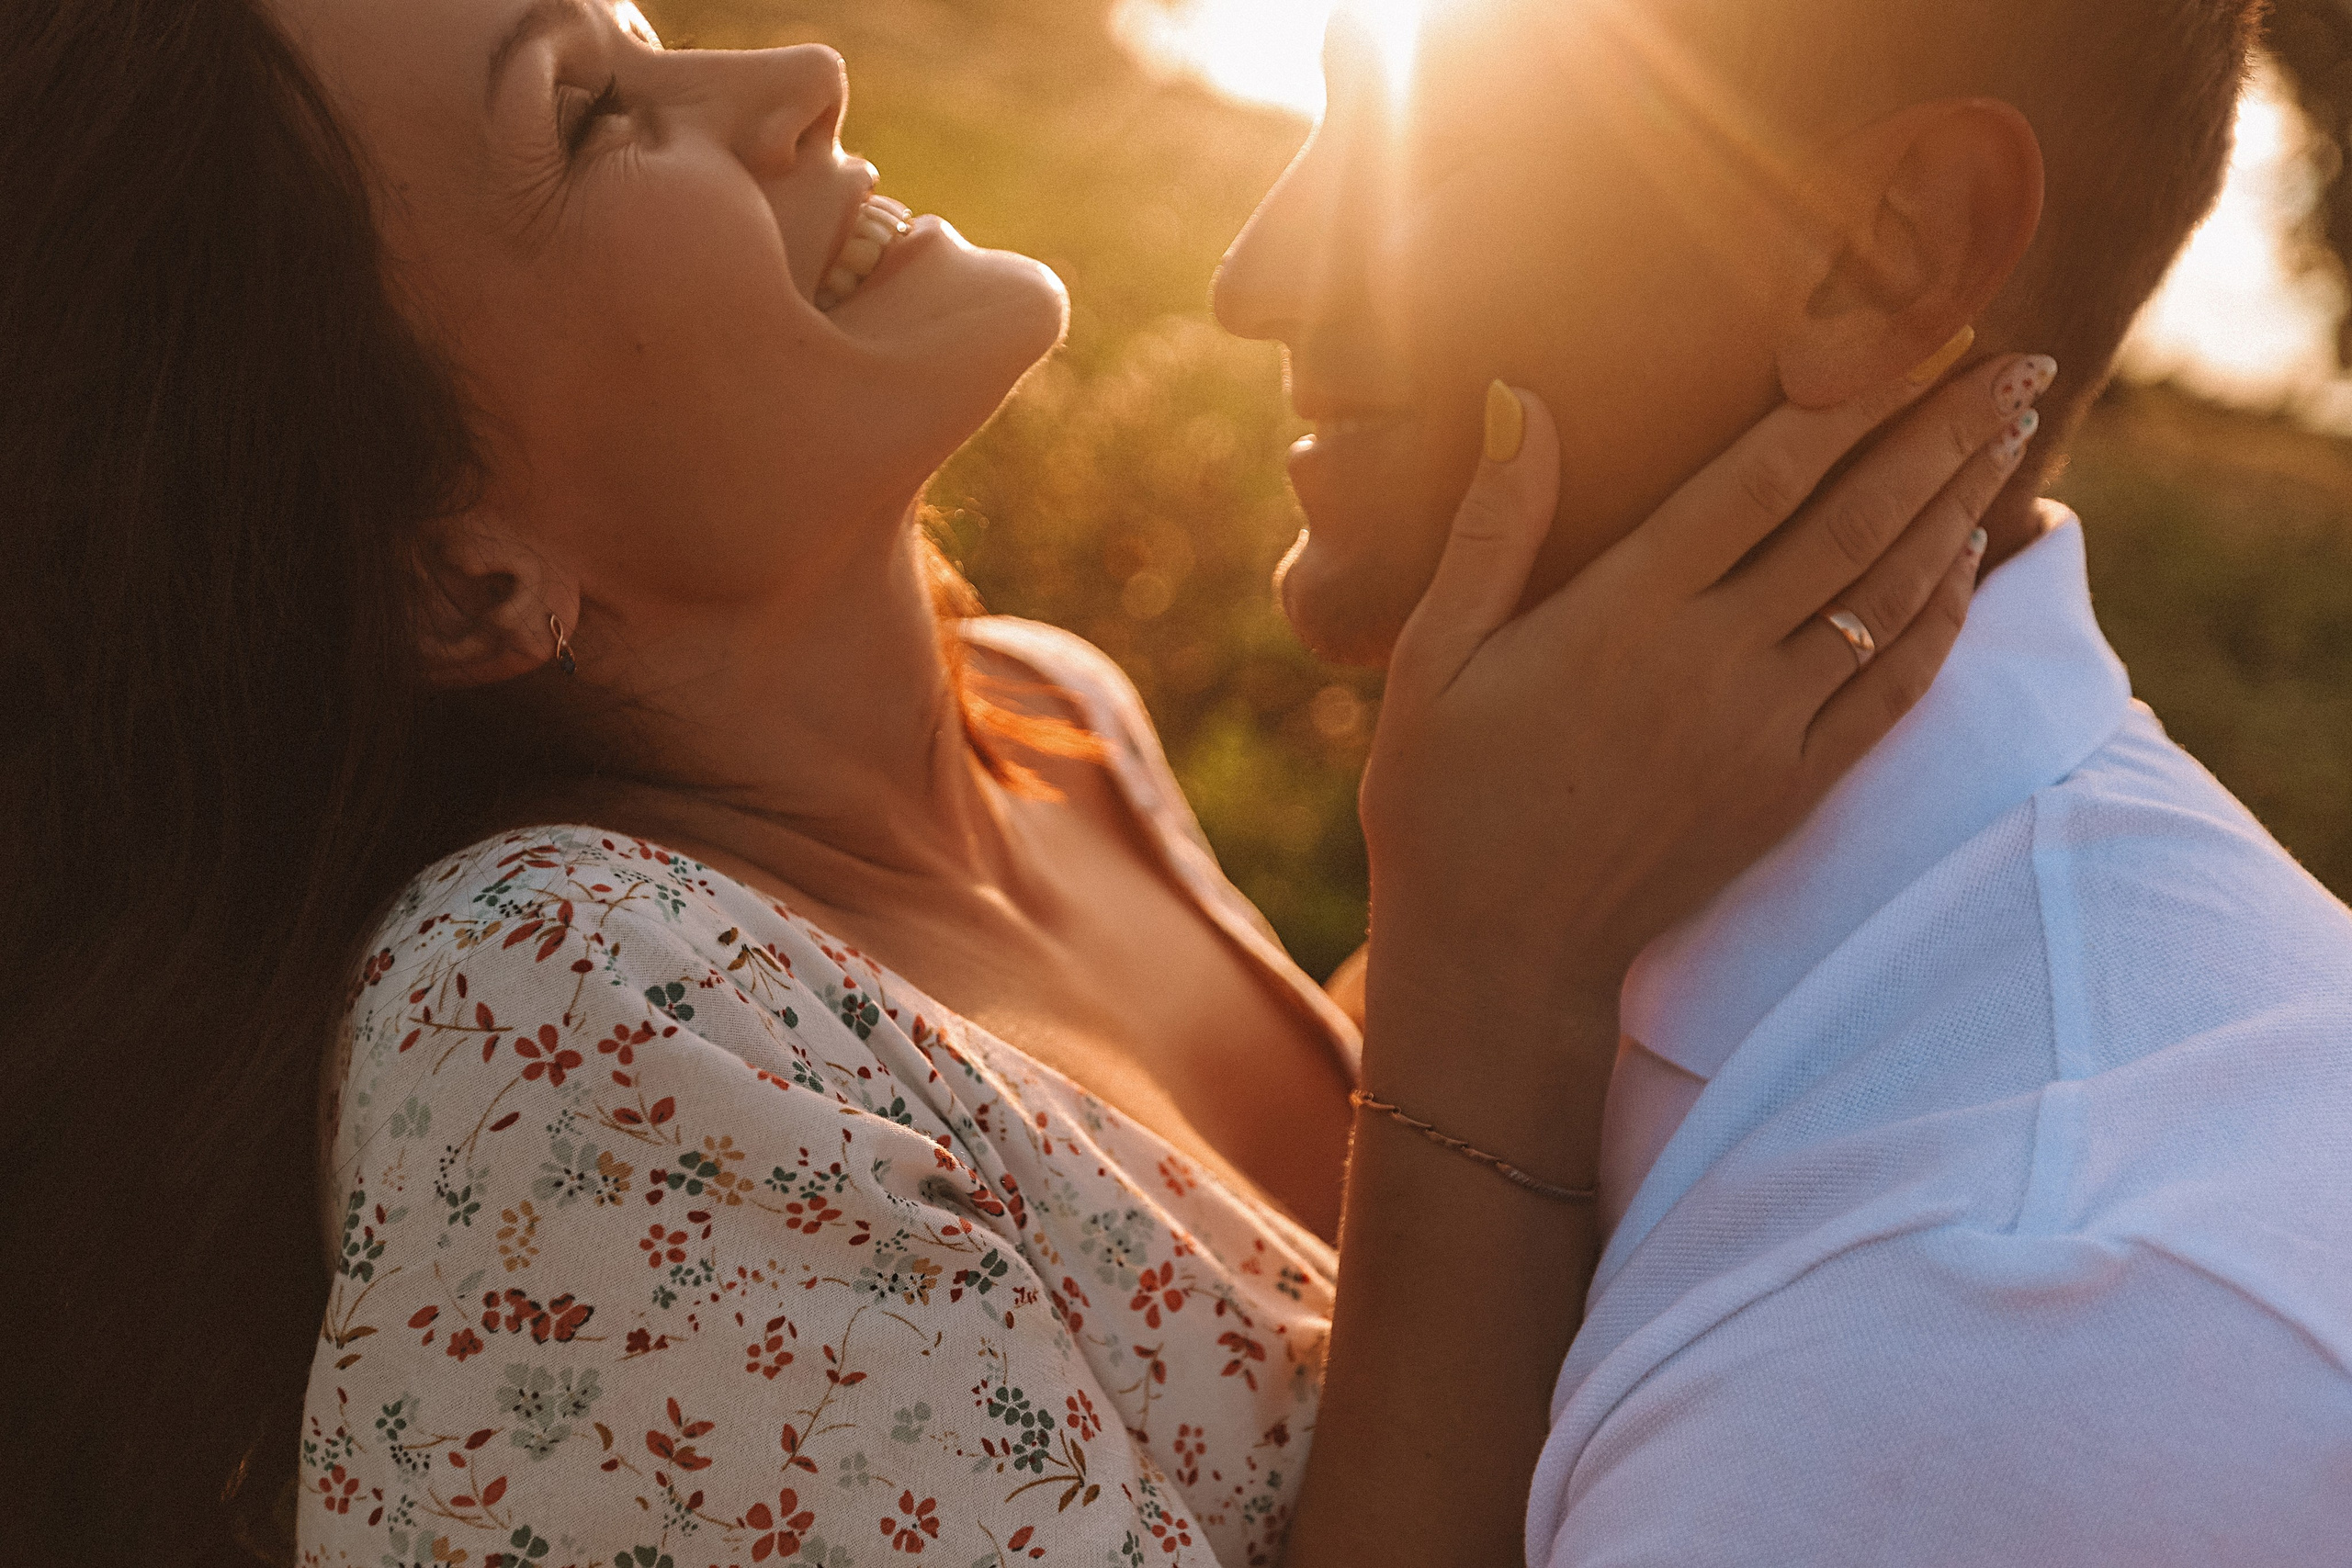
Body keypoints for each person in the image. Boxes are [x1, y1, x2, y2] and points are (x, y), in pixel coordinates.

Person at [0, 0, 2040, 1563]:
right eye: (589, 116)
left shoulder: (1053, 725)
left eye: (647, 35)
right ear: (458, 567)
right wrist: (1484, 977)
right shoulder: (562, 1021)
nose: (791, 73)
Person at [1216, 0, 2352, 1562]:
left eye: (1434, 149)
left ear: (1882, 250)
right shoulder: (1595, 929)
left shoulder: (2019, 1334)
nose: (1252, 276)